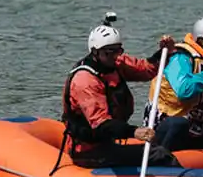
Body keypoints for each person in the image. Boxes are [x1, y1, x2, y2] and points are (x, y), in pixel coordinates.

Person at [60, 25, 176, 169]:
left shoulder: (115, 63)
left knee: (160, 145)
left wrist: (164, 53)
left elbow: (145, 69)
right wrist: (133, 132)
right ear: (96, 52)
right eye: (110, 52)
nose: (115, 56)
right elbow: (102, 125)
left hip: (108, 142)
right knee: (159, 154)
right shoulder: (85, 81)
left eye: (118, 50)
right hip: (89, 151)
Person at [155, 16, 203, 152]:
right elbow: (184, 90)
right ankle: (161, 159)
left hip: (198, 129)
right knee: (179, 124)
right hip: (167, 125)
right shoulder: (180, 58)